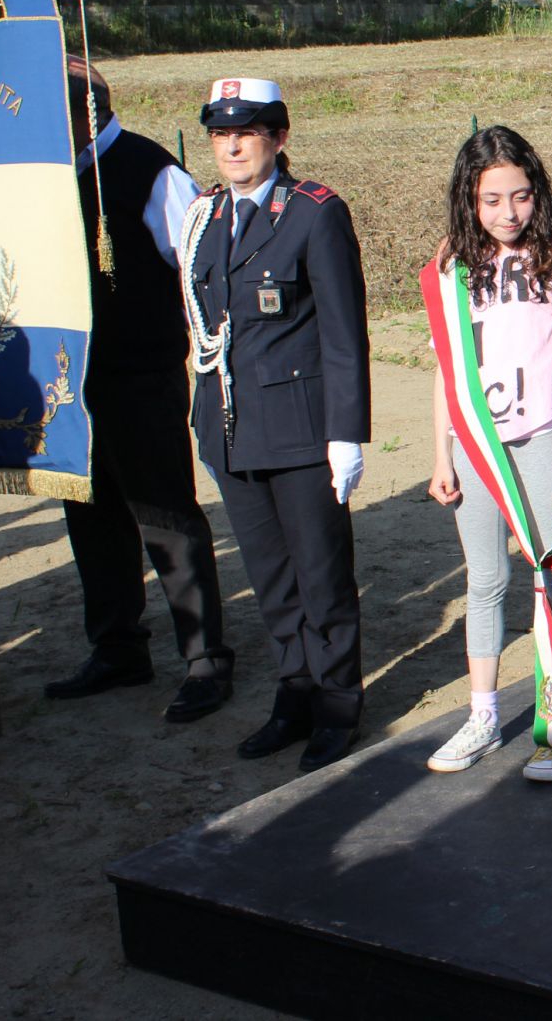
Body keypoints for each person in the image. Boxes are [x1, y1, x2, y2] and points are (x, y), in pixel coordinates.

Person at [180, 78, 371, 773]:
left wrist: (346, 431)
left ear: (279, 138)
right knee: (270, 578)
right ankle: (294, 694)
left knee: (322, 578)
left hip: (300, 429)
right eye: (220, 132)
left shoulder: (313, 213)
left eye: (249, 130)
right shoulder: (204, 216)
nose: (232, 143)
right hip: (231, 430)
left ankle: (338, 703)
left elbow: (345, 333)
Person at [46, 58, 234, 721]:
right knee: (89, 513)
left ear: (84, 111)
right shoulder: (42, 179)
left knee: (164, 515)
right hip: (70, 384)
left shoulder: (150, 171)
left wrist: (213, 365)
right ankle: (118, 643)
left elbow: (199, 268)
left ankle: (206, 657)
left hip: (140, 376)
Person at [424, 126, 552, 781]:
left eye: (521, 196)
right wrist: (442, 453)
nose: (508, 212)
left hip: (543, 441)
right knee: (486, 581)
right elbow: (448, 366)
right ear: (469, 200)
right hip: (474, 445)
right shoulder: (452, 264)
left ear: (537, 191)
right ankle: (481, 715)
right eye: (492, 199)